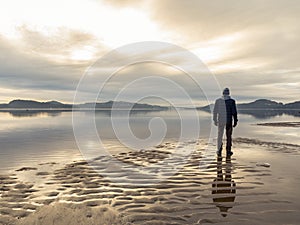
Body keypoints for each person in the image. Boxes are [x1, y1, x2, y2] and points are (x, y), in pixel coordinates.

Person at [213, 88, 238, 157]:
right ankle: (228, 151)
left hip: (221, 121)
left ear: (223, 93)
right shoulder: (232, 101)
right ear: (228, 93)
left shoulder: (218, 101)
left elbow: (215, 111)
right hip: (228, 121)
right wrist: (235, 121)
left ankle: (219, 150)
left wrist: (215, 120)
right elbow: (234, 112)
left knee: (220, 136)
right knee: (229, 136)